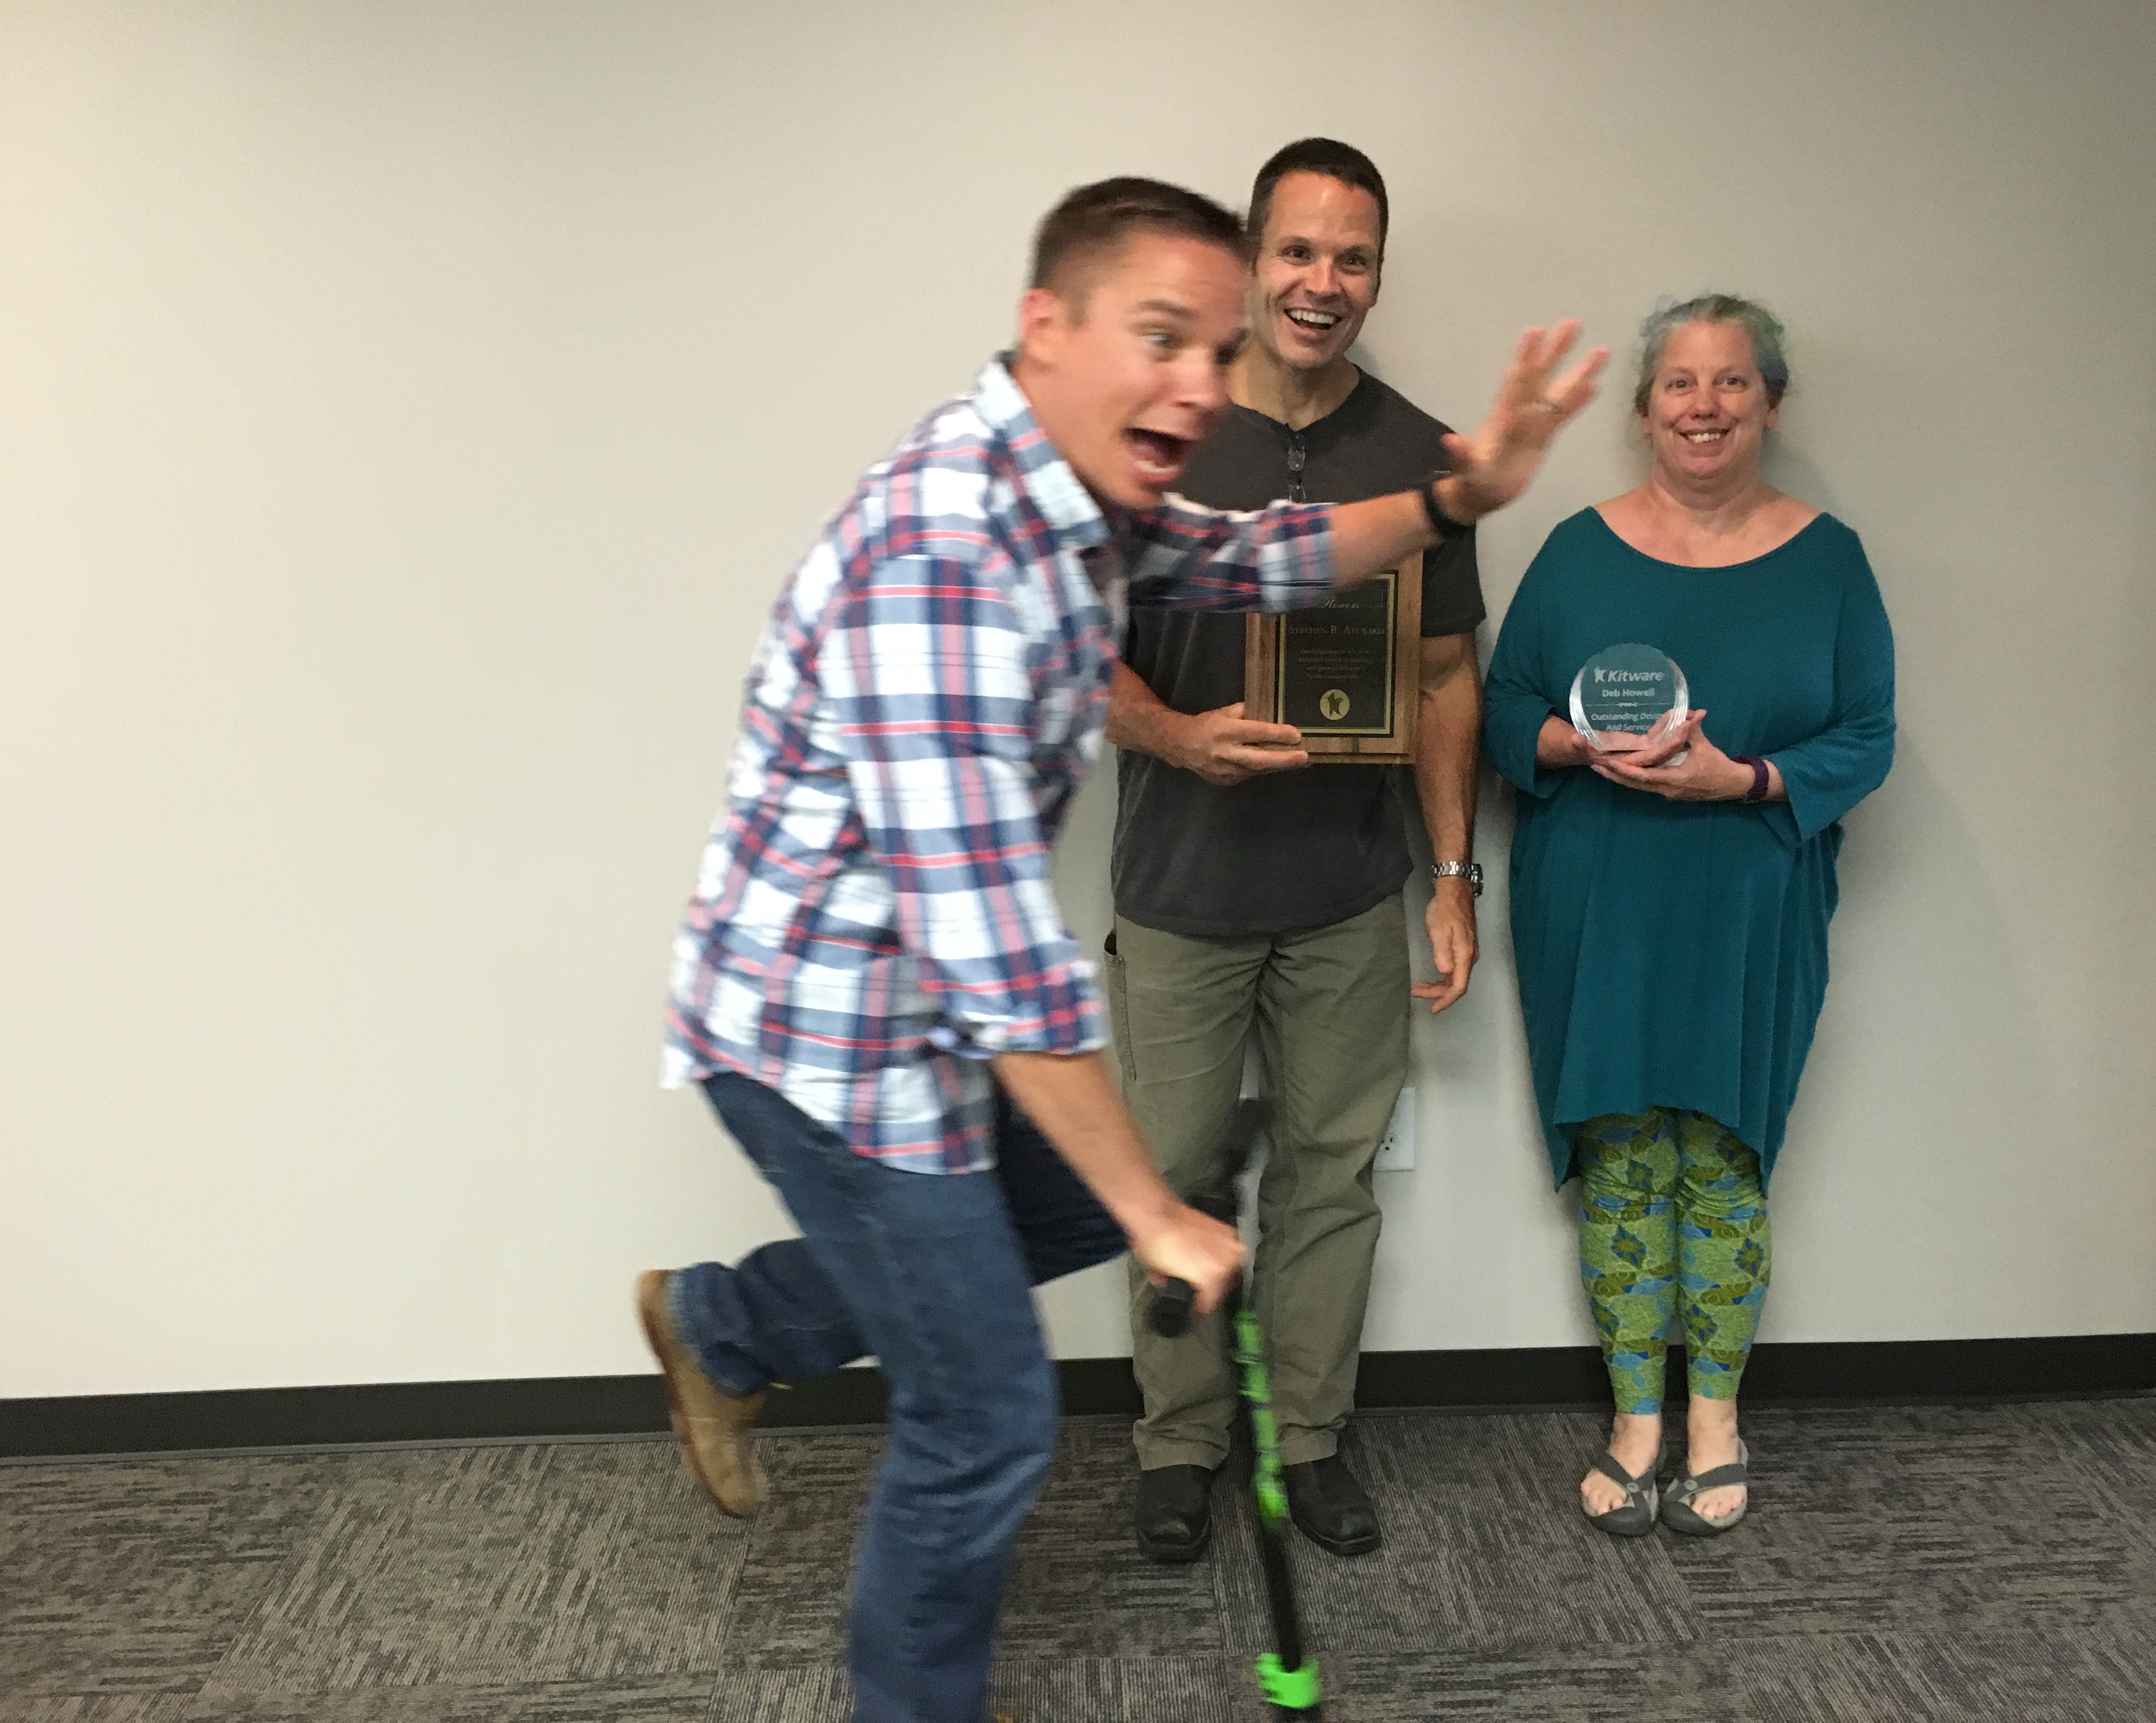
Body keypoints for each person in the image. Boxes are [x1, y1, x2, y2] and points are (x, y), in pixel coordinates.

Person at [636, 172, 1605, 1723]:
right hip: (821, 1035)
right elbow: (992, 947)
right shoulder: (943, 559)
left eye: (1214, 353)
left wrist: (1452, 494)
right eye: (1163, 336)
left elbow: (1257, 559)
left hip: (919, 1016)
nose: (1196, 385)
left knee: (1085, 1199)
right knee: (987, 1413)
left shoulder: (1082, 505)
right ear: (1046, 326)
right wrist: (1154, 1207)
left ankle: (728, 1323)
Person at [1107, 138, 1487, 1565]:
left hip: (1343, 895)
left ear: (1375, 274)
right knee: (1179, 1179)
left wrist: (1454, 877)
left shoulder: (1424, 458)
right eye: (1300, 252)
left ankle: (1309, 1439)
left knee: (1332, 1179)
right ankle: (1180, 1445)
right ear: (1251, 258)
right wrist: (1175, 738)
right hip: (1182, 894)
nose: (1324, 283)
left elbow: (1447, 677)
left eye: (1354, 258)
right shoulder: (1158, 432)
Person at [1481, 293, 1893, 1538]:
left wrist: (1750, 779)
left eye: (1731, 384)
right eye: (1679, 385)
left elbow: (1867, 737)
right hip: (1597, 895)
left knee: (1720, 1166)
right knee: (1620, 1165)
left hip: (1749, 897)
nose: (1704, 407)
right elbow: (1502, 706)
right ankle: (1635, 1417)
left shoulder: (1831, 561)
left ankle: (1714, 1417)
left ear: (1771, 401)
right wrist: (1570, 741)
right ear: (1645, 408)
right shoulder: (1575, 550)